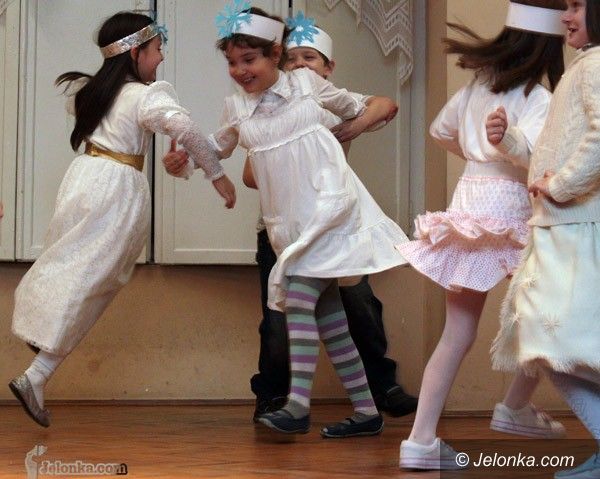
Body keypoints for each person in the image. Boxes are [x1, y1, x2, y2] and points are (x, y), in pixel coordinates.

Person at [175, 2, 408, 437]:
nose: (240, 70)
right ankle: (367, 412)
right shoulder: (237, 108)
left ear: (275, 54)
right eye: (232, 62)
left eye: (249, 59)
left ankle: (297, 406)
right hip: (289, 225)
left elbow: (359, 106)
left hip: (328, 212)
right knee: (329, 318)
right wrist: (185, 161)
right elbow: (217, 146)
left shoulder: (306, 85)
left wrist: (353, 126)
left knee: (298, 300)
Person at [8, 11, 235, 428]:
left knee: (70, 263)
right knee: (95, 279)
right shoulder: (143, 96)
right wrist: (217, 175)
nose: (161, 57)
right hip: (116, 188)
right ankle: (38, 369)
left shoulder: (97, 92)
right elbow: (185, 127)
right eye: (157, 48)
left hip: (83, 178)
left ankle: (42, 338)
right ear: (135, 52)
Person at [396, 0, 566, 469]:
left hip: (468, 205)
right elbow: (532, 156)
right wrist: (503, 147)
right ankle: (515, 405)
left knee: (457, 332)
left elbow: (440, 131)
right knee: (546, 314)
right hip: (511, 210)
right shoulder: (540, 98)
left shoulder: (477, 86)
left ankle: (420, 439)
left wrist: (476, 154)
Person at [241, 13, 417, 421]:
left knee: (359, 307)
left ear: (328, 68)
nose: (300, 65)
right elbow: (250, 175)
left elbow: (385, 104)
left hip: (334, 228)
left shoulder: (333, 101)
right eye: (292, 59)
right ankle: (277, 397)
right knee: (280, 318)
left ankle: (377, 390)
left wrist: (351, 128)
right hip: (285, 232)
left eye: (310, 58)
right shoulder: (268, 109)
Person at [492, 1, 600, 477]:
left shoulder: (594, 66)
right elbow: (557, 152)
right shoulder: (584, 65)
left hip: (574, 227)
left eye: (577, 5)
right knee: (558, 345)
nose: (566, 16)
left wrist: (561, 186)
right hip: (564, 226)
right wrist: (511, 143)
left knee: (547, 342)